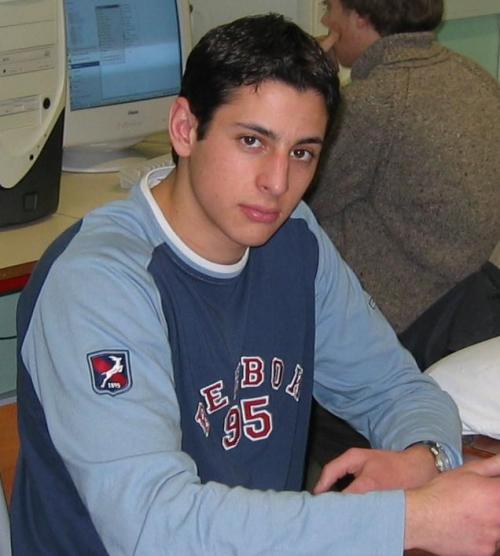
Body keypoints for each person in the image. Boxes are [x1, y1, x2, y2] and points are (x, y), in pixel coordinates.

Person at [10, 13, 500, 556]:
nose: (278, 183)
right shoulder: (97, 284)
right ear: (185, 128)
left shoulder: (293, 238)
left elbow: (394, 389)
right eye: (251, 141)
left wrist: (425, 455)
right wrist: (409, 522)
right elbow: (152, 528)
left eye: (302, 153)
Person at [306, 0, 500, 465]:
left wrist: (310, 83)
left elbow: (299, 201)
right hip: (473, 300)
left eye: (331, 8)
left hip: (404, 320)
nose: (326, 22)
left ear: (360, 16)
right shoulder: (472, 77)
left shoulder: (374, 104)